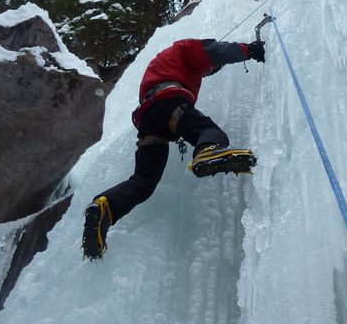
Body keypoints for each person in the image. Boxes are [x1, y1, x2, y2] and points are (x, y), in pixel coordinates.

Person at [82, 37, 266, 260]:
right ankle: (206, 153)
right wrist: (250, 50)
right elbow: (215, 51)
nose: (209, 71)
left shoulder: (161, 65)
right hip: (169, 103)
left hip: (150, 121)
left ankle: (104, 207)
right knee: (209, 133)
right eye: (211, 68)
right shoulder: (184, 48)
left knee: (143, 181)